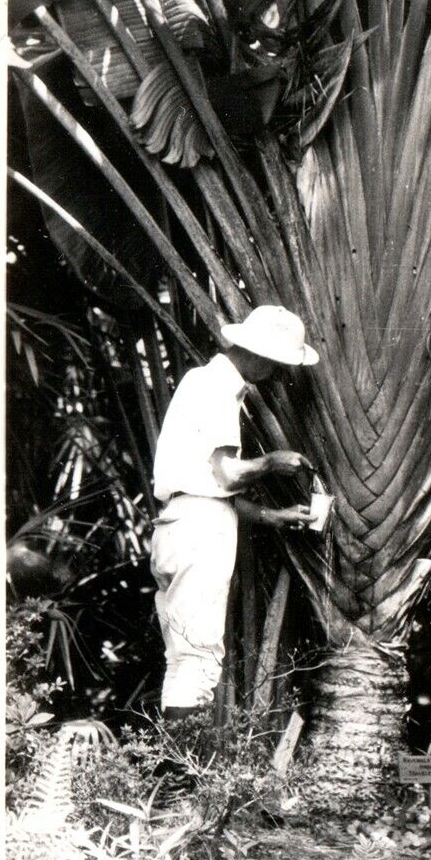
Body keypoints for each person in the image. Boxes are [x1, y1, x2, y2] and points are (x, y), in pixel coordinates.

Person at [149, 305, 319, 719]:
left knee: (184, 656)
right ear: (259, 355)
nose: (279, 376)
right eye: (278, 365)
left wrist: (271, 517)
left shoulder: (200, 382)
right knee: (198, 659)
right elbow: (224, 476)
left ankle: (177, 770)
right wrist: (271, 463)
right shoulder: (217, 390)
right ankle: (182, 775)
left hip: (180, 524)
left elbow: (204, 488)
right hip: (199, 533)